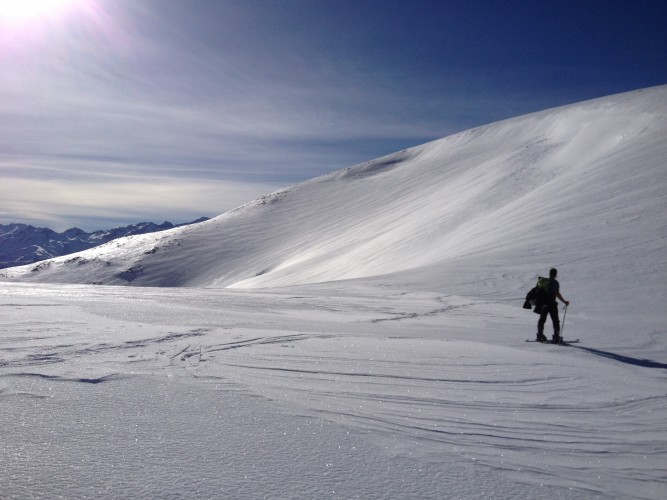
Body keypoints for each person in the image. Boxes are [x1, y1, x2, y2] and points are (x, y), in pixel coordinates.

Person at [536, 268, 570, 343]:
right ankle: (556, 336)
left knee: (542, 319)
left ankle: (540, 335)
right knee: (555, 320)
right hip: (552, 304)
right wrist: (564, 301)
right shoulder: (555, 283)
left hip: (544, 304)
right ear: (555, 274)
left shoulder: (543, 281)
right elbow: (557, 293)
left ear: (549, 273)